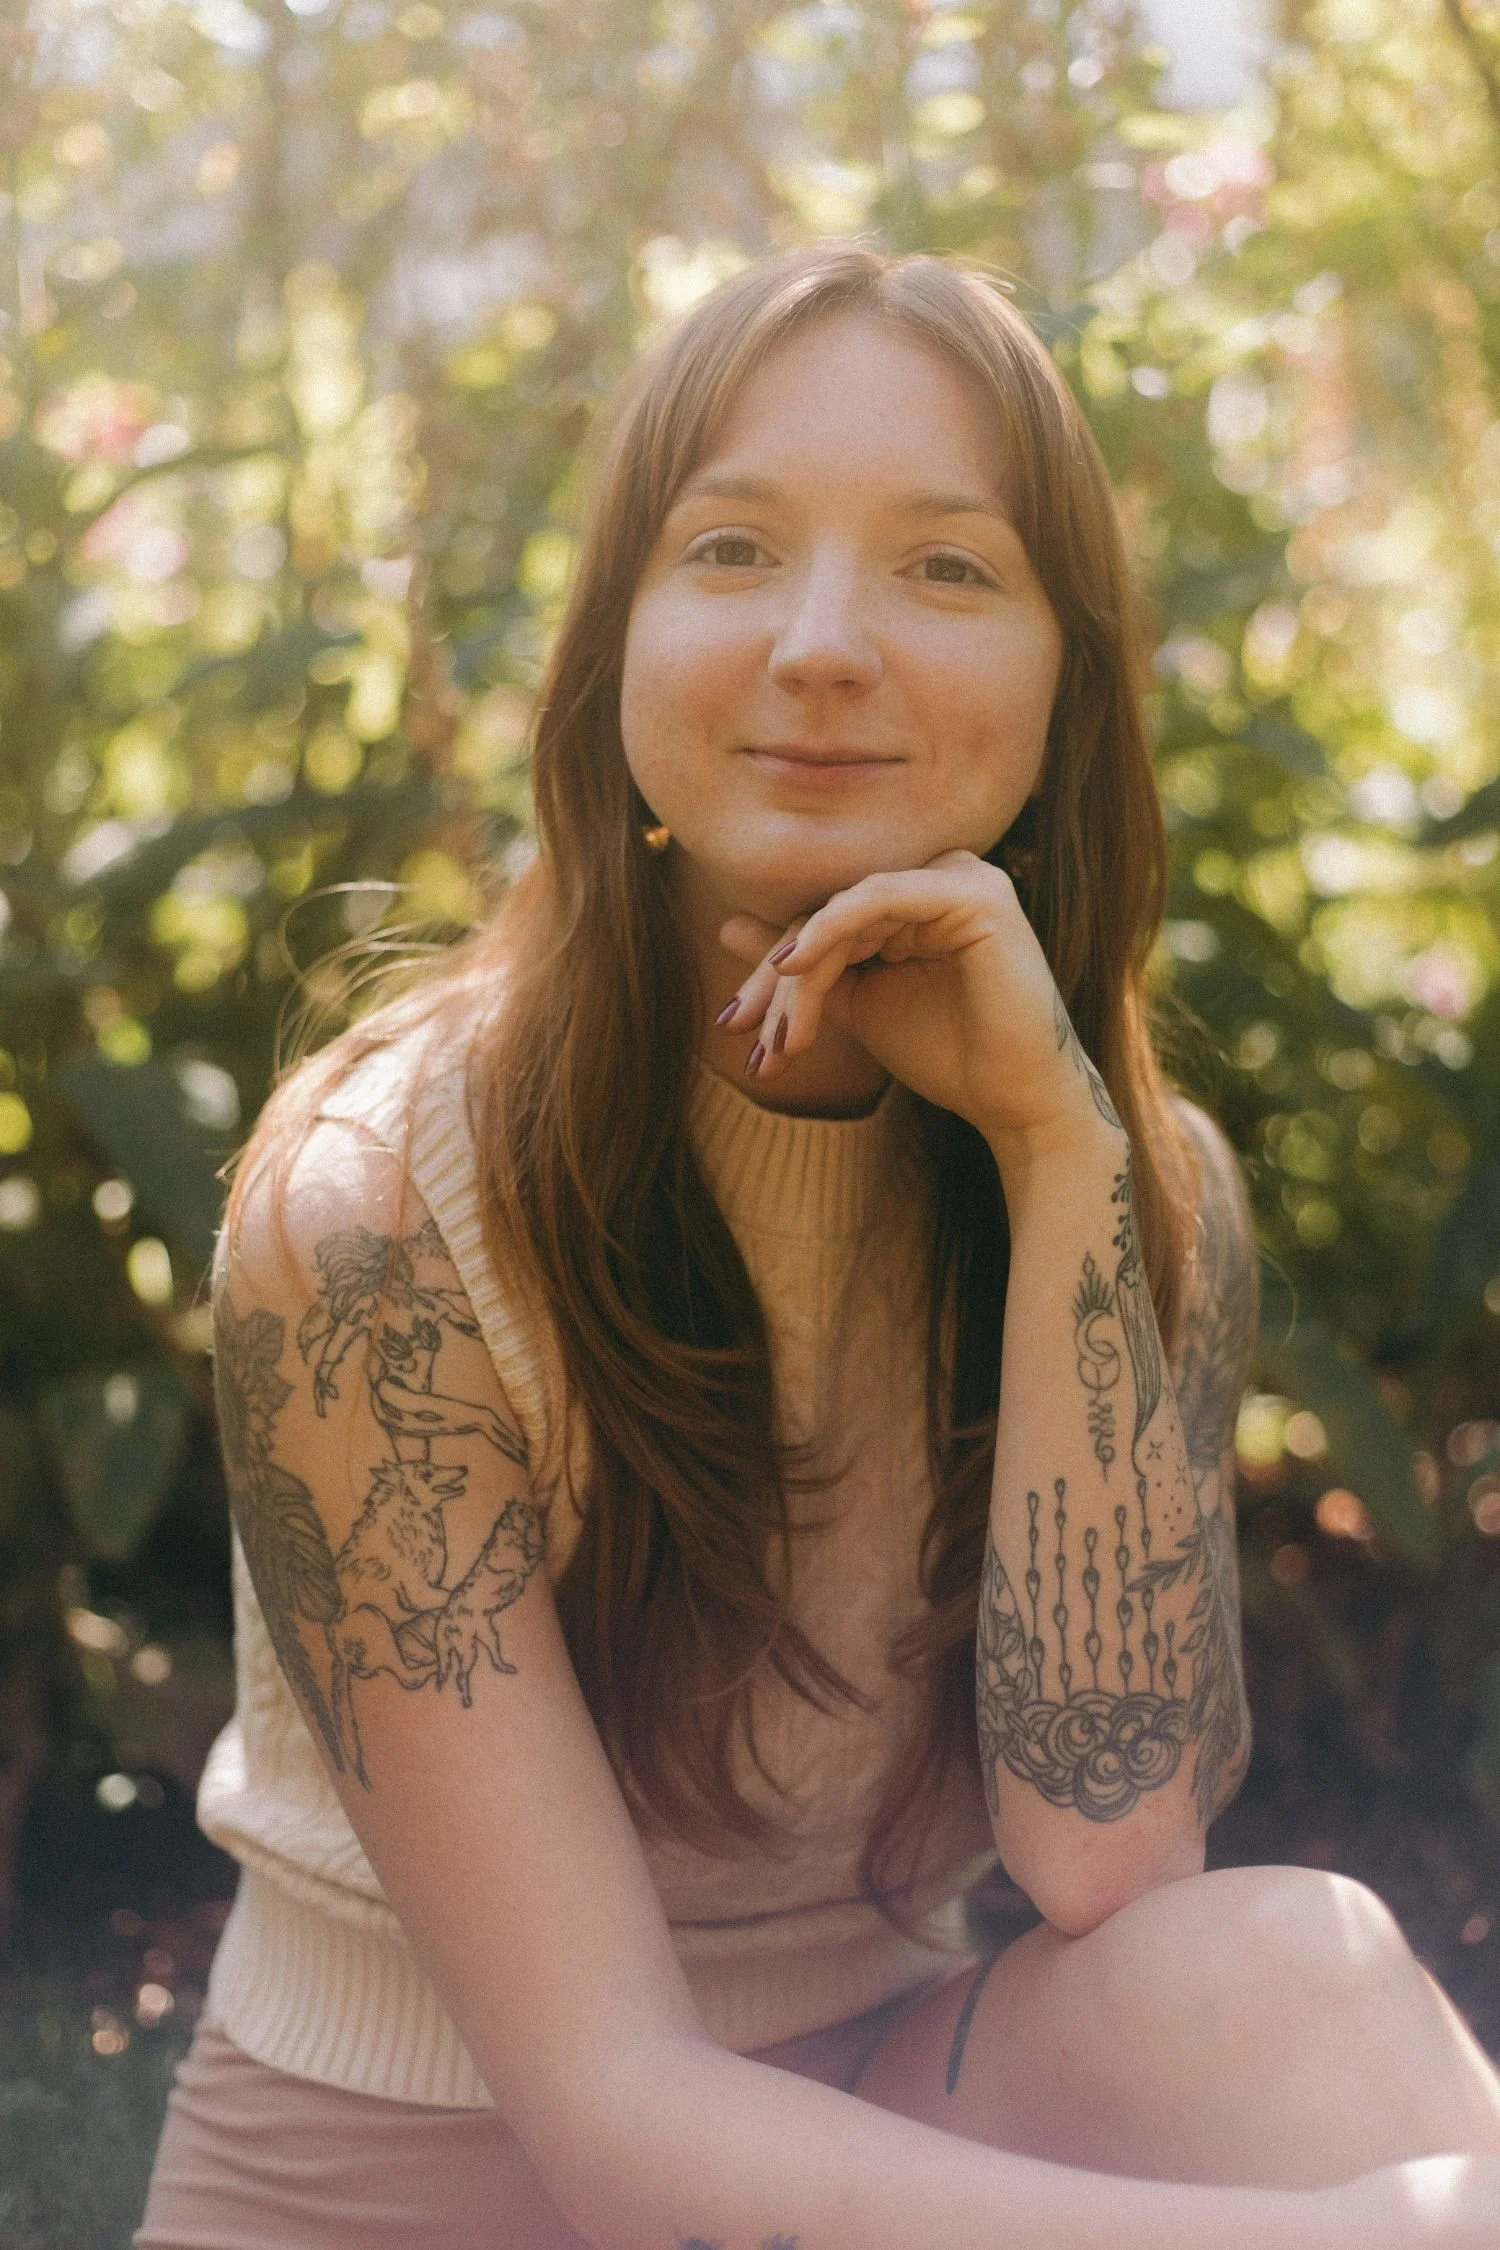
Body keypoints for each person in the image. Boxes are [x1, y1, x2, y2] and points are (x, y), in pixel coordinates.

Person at [136, 240, 1500, 2250]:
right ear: (616, 641)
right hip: (418, 2187)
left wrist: (1057, 1157)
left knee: (1297, 1966)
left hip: (892, 2113)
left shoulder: (1135, 1177)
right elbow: (614, 2125)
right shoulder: (373, 1215)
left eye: (948, 567)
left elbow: (1113, 1867)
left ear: (1067, 684)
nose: (826, 645)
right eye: (737, 549)